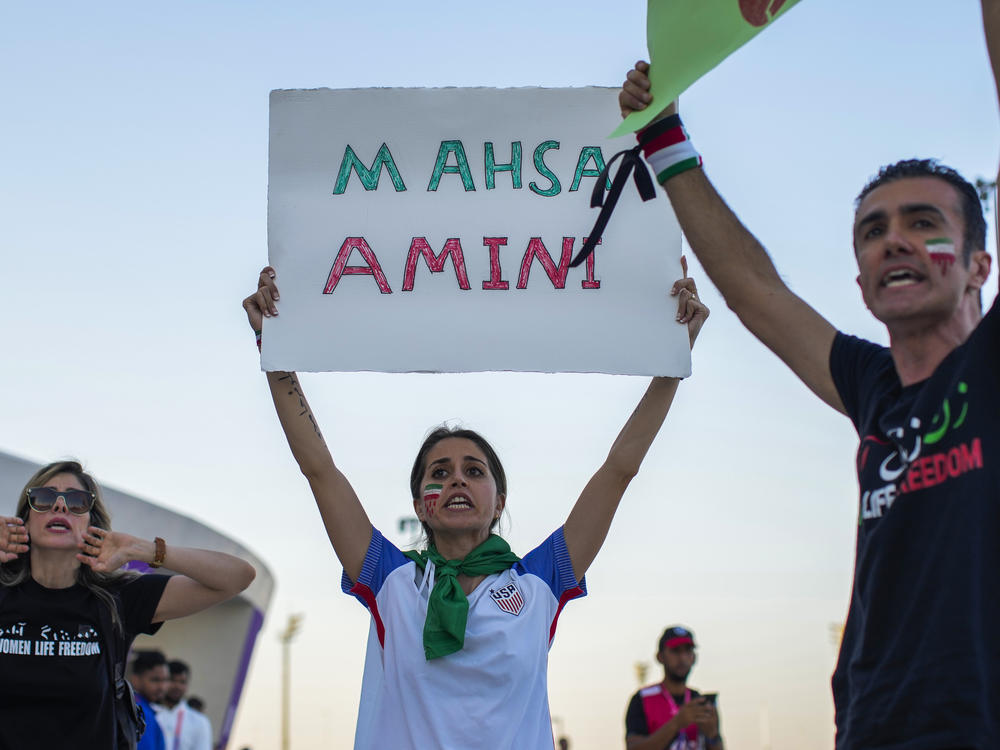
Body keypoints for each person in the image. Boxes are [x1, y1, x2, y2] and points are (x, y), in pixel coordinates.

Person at [617, 3, 1000, 748]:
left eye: (924, 223)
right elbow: (754, 292)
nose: (895, 241)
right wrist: (661, 134)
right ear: (859, 283)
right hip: (870, 728)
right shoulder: (873, 388)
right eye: (874, 230)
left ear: (980, 265)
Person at [242, 261, 708, 750]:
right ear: (421, 507)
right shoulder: (390, 581)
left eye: (474, 470)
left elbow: (618, 472)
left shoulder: (542, 580)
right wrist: (275, 353)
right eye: (438, 474)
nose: (456, 480)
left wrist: (673, 362)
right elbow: (320, 471)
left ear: (498, 501)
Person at [0, 460, 256, 750]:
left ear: (92, 524)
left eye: (77, 501)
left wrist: (147, 550)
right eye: (44, 499)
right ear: (24, 518)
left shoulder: (118, 596)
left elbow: (238, 577)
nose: (60, 507)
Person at [625, 626, 722, 750]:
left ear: (694, 658)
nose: (682, 658)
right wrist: (676, 724)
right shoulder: (643, 699)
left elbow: (717, 744)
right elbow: (633, 747)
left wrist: (713, 736)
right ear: (660, 657)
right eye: (675, 651)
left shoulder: (700, 701)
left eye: (688, 651)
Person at [155, 659, 213, 750]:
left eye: (182, 682)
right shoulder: (148, 713)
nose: (177, 686)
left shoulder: (200, 722)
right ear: (163, 681)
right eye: (172, 680)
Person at [131, 649, 169, 750]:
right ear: (136, 679)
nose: (162, 687)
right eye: (155, 680)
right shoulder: (141, 713)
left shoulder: (143, 709)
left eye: (165, 680)